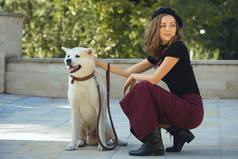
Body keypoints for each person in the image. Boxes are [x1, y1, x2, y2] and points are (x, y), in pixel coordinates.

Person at [94, 8, 204, 156]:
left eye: (172, 25)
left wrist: (134, 77)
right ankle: (179, 133)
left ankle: (154, 145)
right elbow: (127, 70)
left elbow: (154, 78)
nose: (168, 29)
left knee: (143, 87)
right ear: (155, 28)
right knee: (143, 105)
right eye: (163, 25)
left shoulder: (177, 48)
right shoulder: (160, 52)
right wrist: (96, 62)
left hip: (191, 109)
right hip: (180, 105)